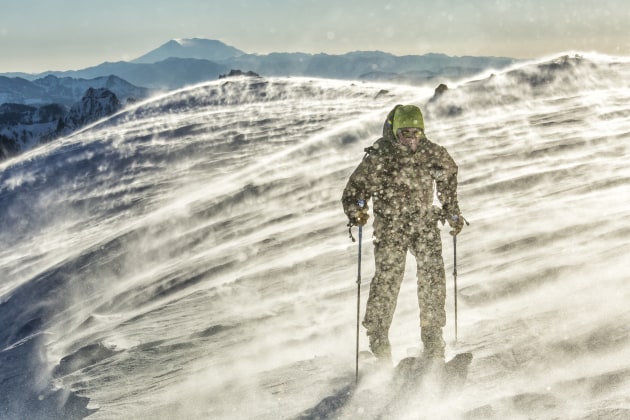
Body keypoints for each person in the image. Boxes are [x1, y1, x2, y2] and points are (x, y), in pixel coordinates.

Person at [341, 104, 464, 364]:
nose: (410, 139)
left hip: (423, 222)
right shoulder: (380, 156)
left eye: (416, 133)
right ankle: (378, 337)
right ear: (395, 133)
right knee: (388, 278)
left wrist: (451, 209)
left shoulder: (431, 152)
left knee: (432, 275)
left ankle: (432, 337)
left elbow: (448, 174)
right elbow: (355, 189)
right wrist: (357, 212)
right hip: (391, 226)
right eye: (405, 133)